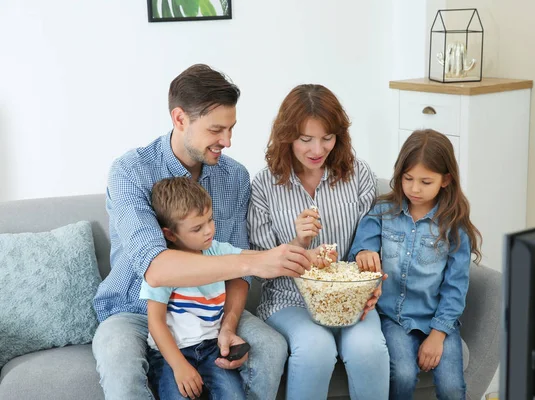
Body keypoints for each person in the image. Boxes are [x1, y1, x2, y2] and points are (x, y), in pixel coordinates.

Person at [92, 64, 312, 400]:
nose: (227, 141)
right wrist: (252, 262)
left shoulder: (234, 177)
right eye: (216, 130)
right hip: (135, 309)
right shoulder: (130, 172)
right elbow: (158, 268)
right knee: (120, 359)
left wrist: (228, 324)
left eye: (231, 128)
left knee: (269, 345)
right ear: (180, 119)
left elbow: (239, 275)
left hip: (207, 310)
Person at [247, 84, 390, 400]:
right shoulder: (264, 185)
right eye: (305, 139)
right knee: (316, 350)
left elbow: (375, 235)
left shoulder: (358, 174)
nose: (317, 149)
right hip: (289, 299)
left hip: (352, 297)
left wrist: (373, 276)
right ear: (287, 137)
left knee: (368, 349)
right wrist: (299, 243)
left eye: (327, 138)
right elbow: (258, 266)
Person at [348, 129, 482, 400]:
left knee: (452, 387)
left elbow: (456, 287)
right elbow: (361, 248)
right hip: (393, 318)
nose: (415, 188)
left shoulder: (454, 229)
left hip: (438, 320)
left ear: (446, 180)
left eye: (425, 181)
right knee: (404, 374)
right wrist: (363, 253)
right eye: (408, 179)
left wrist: (437, 334)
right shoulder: (382, 212)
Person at [142, 177, 246, 400]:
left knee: (234, 396)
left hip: (211, 348)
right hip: (171, 353)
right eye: (198, 228)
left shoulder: (217, 250)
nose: (209, 231)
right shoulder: (164, 265)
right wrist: (179, 366)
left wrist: (294, 253)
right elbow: (155, 322)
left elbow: (250, 259)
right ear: (170, 234)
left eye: (210, 220)